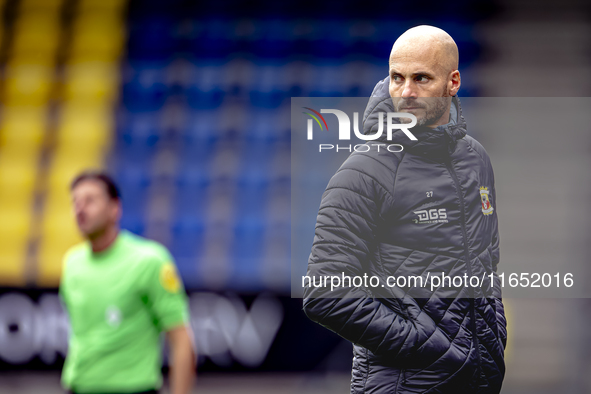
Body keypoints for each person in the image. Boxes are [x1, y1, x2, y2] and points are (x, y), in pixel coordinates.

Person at [303, 26, 507, 393]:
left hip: (479, 380)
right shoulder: (364, 171)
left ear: (453, 82)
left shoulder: (476, 158)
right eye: (397, 78)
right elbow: (325, 293)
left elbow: (486, 262)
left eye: (421, 78)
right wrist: (426, 348)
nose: (407, 92)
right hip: (403, 383)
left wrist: (491, 341)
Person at [59, 171, 196, 394]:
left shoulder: (149, 261)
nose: (80, 209)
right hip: (78, 388)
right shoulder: (71, 264)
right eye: (75, 202)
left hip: (134, 389)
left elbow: (181, 341)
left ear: (115, 209)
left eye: (90, 200)